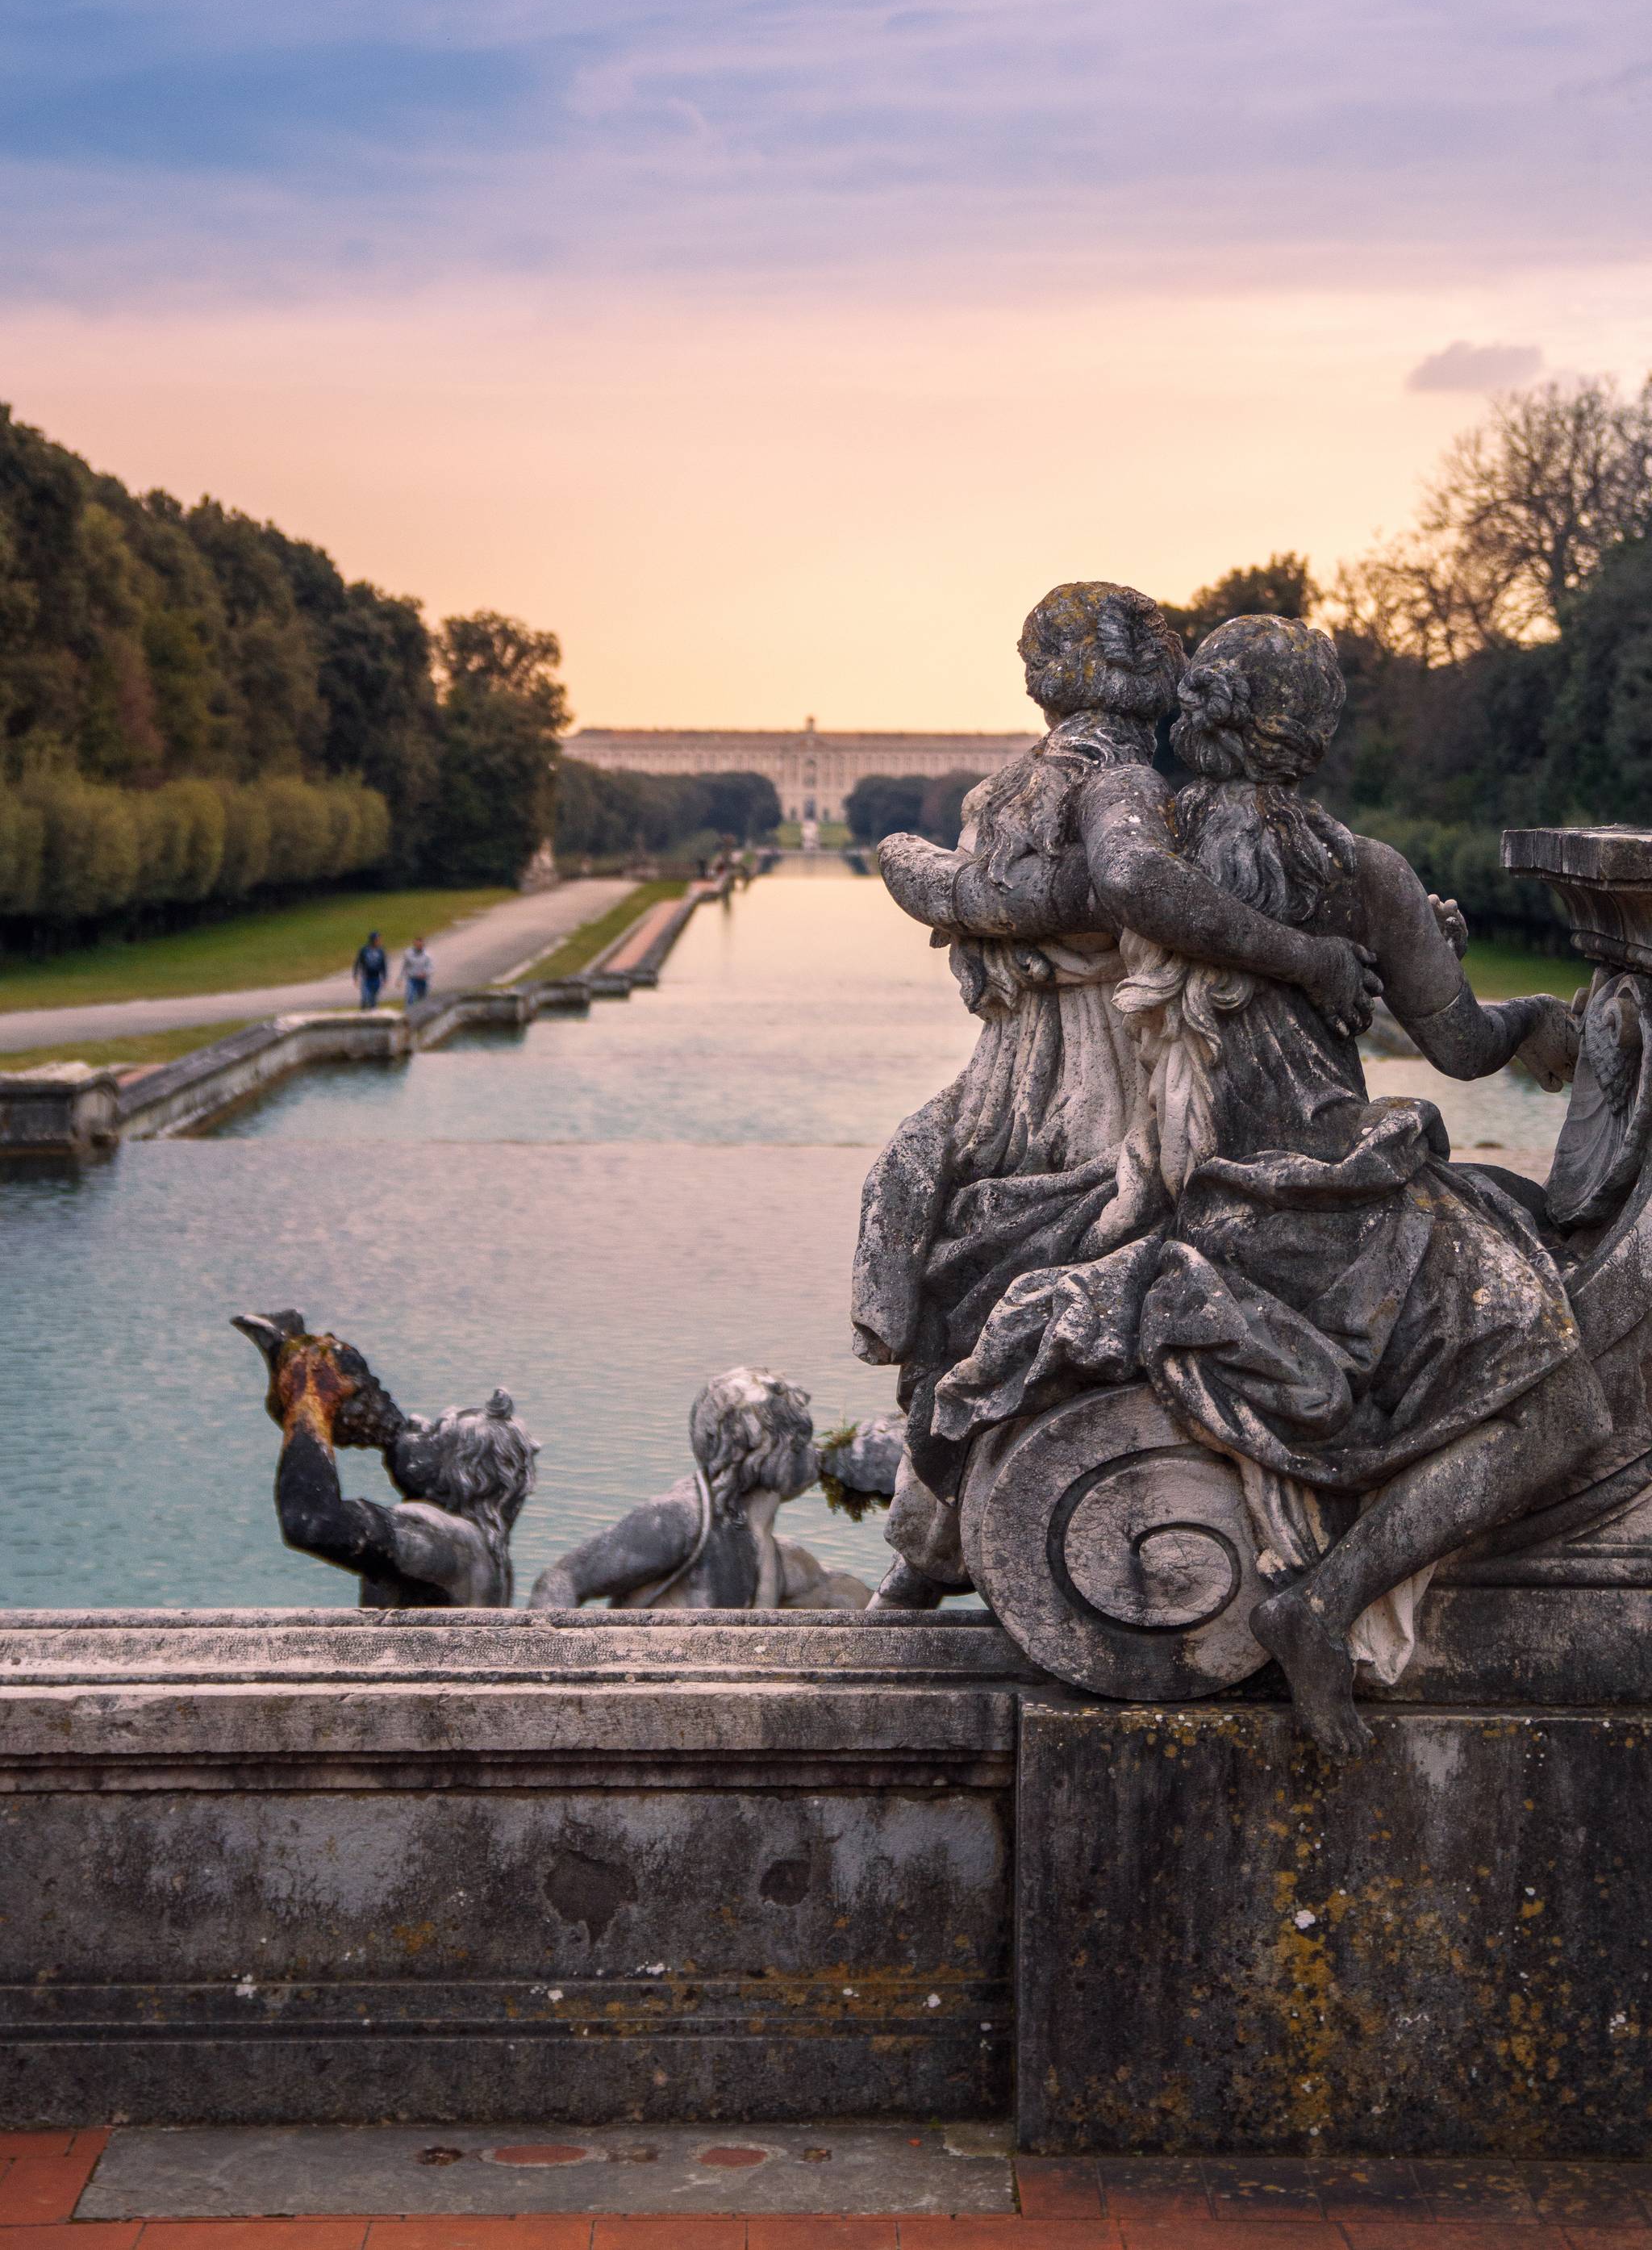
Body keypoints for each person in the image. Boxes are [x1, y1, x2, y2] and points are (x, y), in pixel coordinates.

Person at [931, 616, 1608, 1755]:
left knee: (1509, 1238)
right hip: (1333, 1200)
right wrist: (1544, 1019)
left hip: (1209, 1199)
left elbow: (1041, 893)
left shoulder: (1138, 831)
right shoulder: (1359, 874)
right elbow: (1460, 1044)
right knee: (1561, 1405)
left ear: (1202, 712)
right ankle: (1327, 1597)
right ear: (1315, 734)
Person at [853, 580, 1379, 1607]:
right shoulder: (1108, 776)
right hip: (1036, 1061)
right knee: (956, 1241)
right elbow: (1113, 885)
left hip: (1089, 1061)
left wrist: (946, 885)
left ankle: (937, 1544)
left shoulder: (1105, 780)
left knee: (1002, 1267)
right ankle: (940, 1533)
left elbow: (1125, 885)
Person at [232, 1309, 539, 1607]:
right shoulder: (485, 1554)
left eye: (435, 1432)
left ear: (464, 1475)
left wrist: (311, 1399)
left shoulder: (443, 1539)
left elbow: (313, 1523)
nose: (417, 1420)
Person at [529, 1369, 898, 1610]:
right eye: (800, 1442)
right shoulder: (679, 1519)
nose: (811, 1453)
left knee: (834, 1590)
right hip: (653, 1697)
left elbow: (812, 1466)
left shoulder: (763, 1530)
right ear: (760, 1451)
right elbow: (562, 1579)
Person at [353, 930, 389, 1010]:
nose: (379, 941)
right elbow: (357, 964)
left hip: (376, 978)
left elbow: (384, 965)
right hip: (366, 978)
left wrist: (385, 978)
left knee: (373, 1001)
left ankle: (373, 1015)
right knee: (366, 998)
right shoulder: (364, 950)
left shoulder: (381, 951)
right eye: (378, 939)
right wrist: (355, 977)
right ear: (372, 940)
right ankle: (363, 1012)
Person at [400, 936, 433, 1007]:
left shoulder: (427, 955)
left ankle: (422, 1014)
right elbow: (404, 966)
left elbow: (431, 968)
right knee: (410, 997)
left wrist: (426, 973)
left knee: (422, 999)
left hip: (423, 980)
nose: (419, 946)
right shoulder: (408, 954)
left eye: (421, 945)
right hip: (412, 979)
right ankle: (408, 1013)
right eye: (417, 944)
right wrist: (400, 978)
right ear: (414, 944)